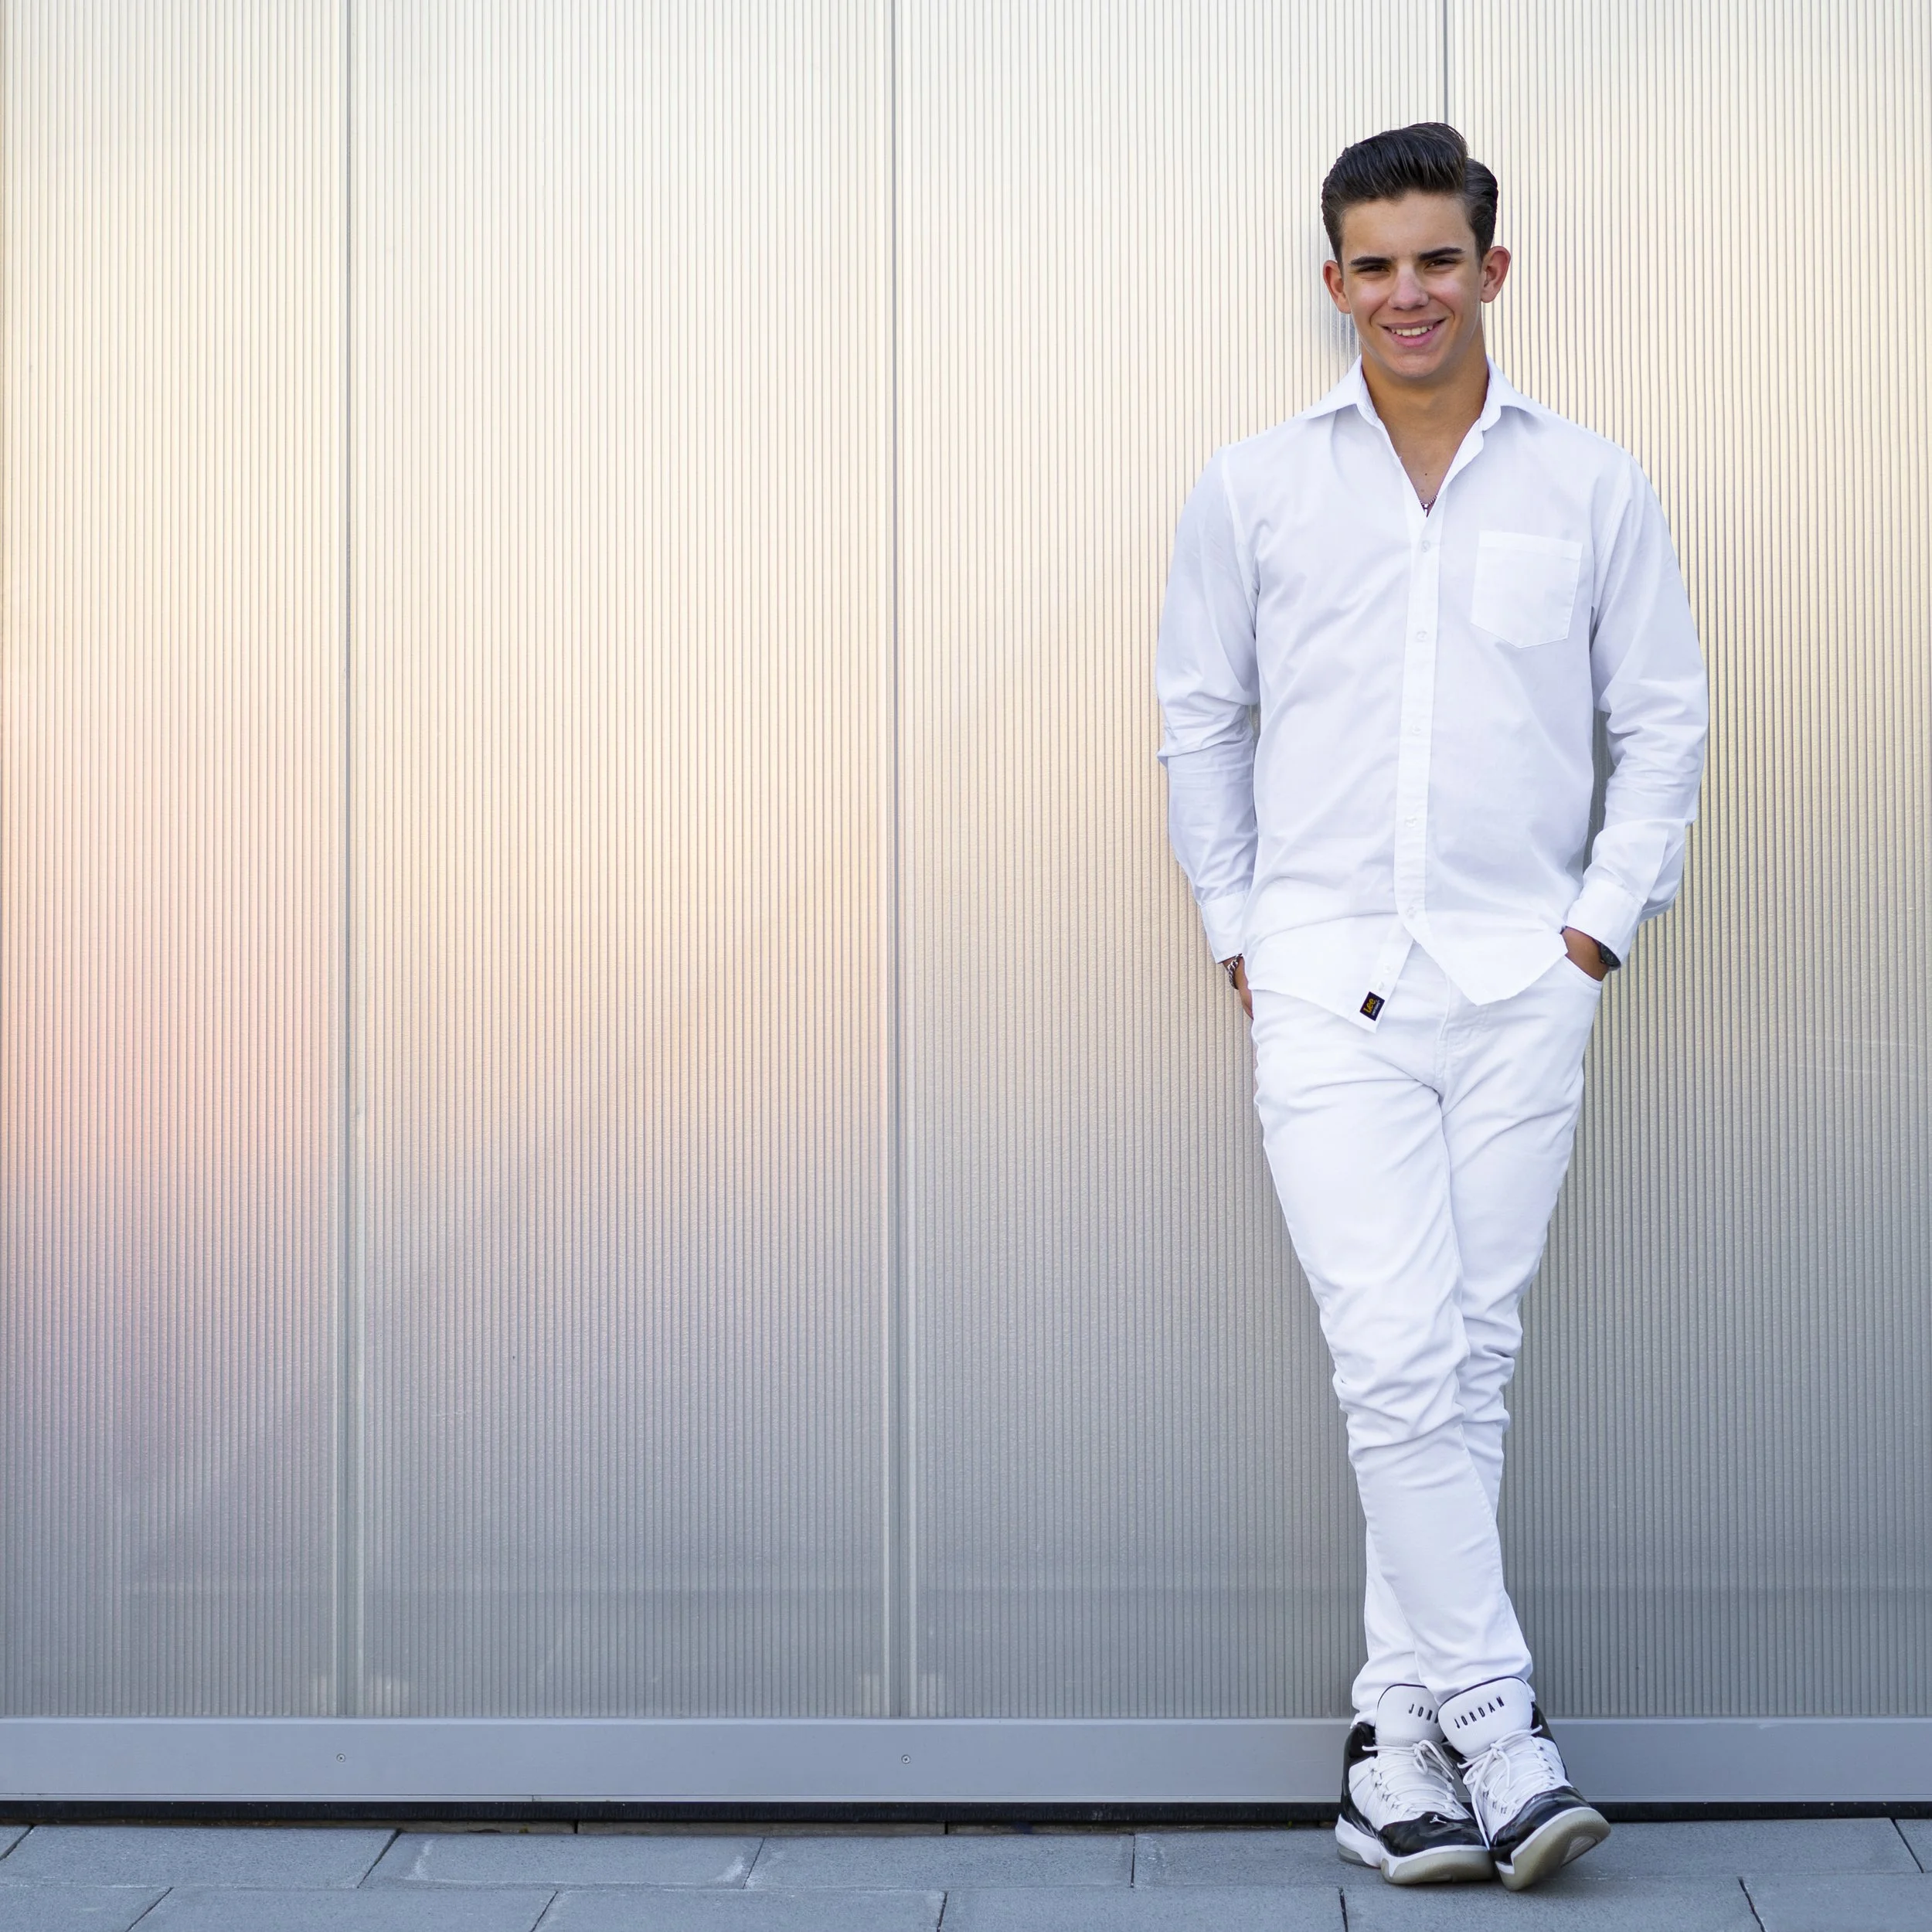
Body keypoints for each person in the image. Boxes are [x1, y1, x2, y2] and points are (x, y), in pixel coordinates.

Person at [1155, 123, 1707, 1890]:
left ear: (1490, 267)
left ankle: (1387, 1745)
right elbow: (1199, 716)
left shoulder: (1592, 486)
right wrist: (1243, 931)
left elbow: (1664, 721)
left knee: (1457, 1366)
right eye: (1371, 264)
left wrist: (1590, 939)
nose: (1405, 291)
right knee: (1396, 1355)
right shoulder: (1251, 490)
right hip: (1324, 982)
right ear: (1334, 283)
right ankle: (1495, 1717)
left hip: (1518, 983)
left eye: (1435, 258)